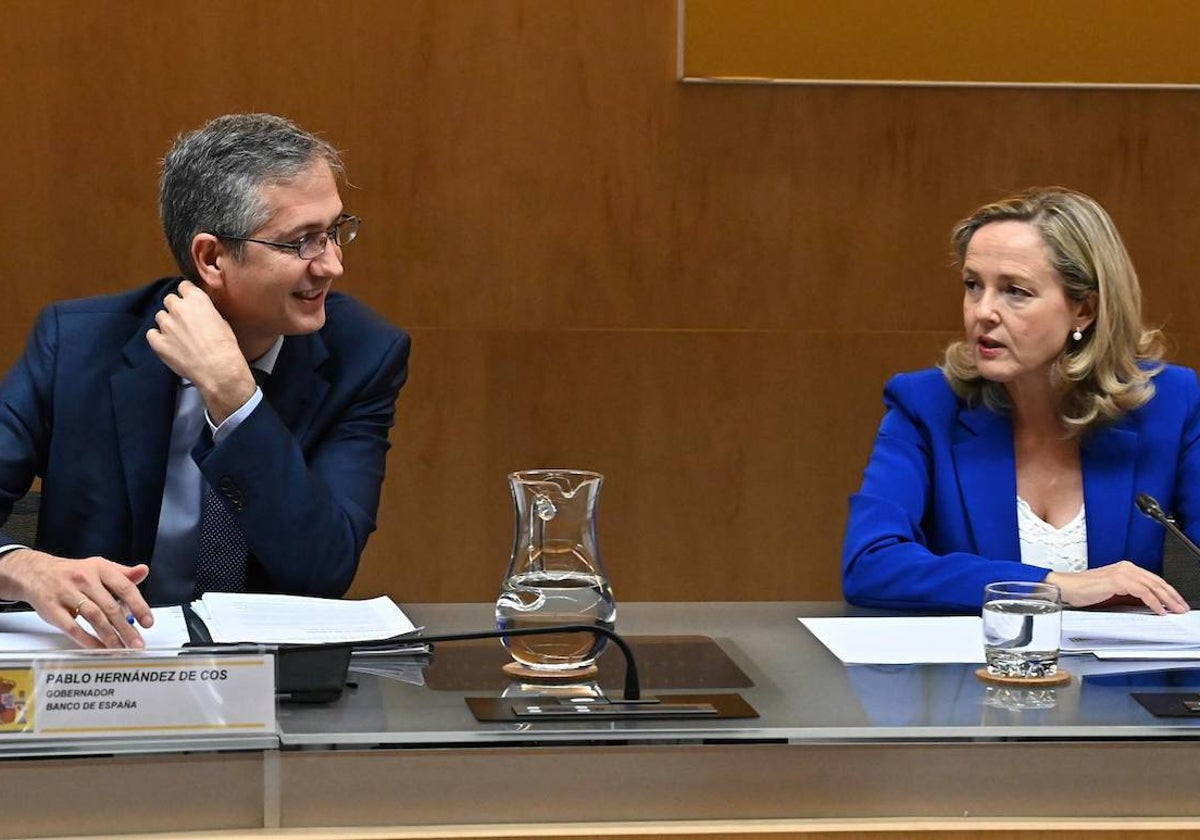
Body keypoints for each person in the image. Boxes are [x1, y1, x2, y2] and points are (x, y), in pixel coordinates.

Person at [0, 113, 410, 648]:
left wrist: (236, 399)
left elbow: (323, 568)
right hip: (107, 670)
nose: (332, 264)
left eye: (335, 232)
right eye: (305, 241)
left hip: (273, 690)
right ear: (212, 258)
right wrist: (22, 567)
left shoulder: (363, 354)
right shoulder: (77, 348)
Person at [843, 187, 1196, 614]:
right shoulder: (927, 406)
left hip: (1127, 678)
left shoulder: (1171, 405)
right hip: (976, 676)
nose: (982, 312)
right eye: (974, 286)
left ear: (1083, 310)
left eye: (1015, 291)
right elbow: (871, 564)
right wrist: (1052, 585)